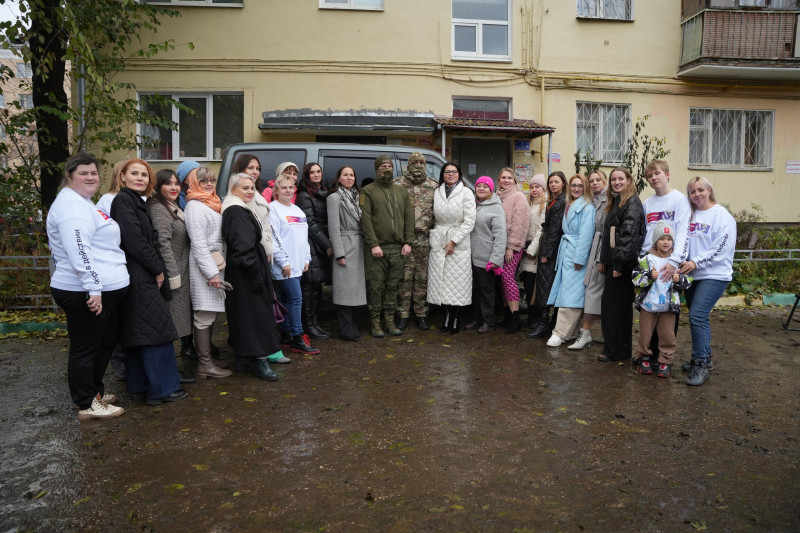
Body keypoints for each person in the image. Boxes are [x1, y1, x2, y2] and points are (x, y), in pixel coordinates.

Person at [47, 153, 130, 420]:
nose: (90, 177)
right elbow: (78, 249)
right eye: (83, 173)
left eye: (94, 173)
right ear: (69, 176)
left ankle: (94, 392)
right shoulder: (71, 207)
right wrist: (93, 288)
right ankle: (86, 404)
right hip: (82, 290)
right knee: (86, 348)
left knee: (103, 343)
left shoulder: (83, 202)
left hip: (102, 288)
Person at [110, 159, 186, 405]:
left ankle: (140, 387)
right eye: (134, 173)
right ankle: (163, 389)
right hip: (139, 273)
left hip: (138, 273)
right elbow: (135, 241)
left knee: (140, 331)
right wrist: (158, 269)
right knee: (156, 332)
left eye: (144, 174)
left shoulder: (135, 201)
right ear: (123, 177)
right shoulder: (124, 201)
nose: (140, 178)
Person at [221, 172, 285, 381]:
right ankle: (259, 360)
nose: (250, 192)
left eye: (252, 188)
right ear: (233, 190)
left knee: (245, 315)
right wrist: (256, 276)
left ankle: (245, 358)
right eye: (245, 188)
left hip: (245, 271)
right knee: (255, 316)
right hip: (246, 274)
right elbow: (243, 249)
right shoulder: (236, 211)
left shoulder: (239, 208)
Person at [678, 176, 737, 386]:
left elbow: (721, 247)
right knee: (700, 317)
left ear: (709, 190)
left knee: (697, 315)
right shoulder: (690, 215)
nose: (697, 195)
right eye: (692, 191)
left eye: (700, 190)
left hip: (714, 274)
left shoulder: (722, 216)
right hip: (692, 275)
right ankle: (705, 355)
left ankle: (700, 364)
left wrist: (696, 261)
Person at [639, 160, 691, 364]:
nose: (654, 178)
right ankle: (648, 354)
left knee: (668, 310)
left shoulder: (679, 200)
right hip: (651, 261)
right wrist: (643, 261)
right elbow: (646, 233)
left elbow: (683, 232)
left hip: (671, 262)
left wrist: (675, 261)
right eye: (650, 176)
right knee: (649, 308)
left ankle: (664, 357)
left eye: (657, 174)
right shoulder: (648, 203)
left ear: (667, 174)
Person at [183, 166, 233, 379]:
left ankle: (208, 359)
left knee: (210, 313)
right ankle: (204, 364)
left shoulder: (211, 202)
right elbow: (198, 244)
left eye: (212, 180)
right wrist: (211, 274)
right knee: (203, 315)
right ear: (195, 183)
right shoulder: (194, 206)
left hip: (215, 264)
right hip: (204, 268)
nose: (209, 184)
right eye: (204, 181)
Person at [148, 169, 196, 383]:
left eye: (176, 183)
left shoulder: (172, 205)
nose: (174, 187)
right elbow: (163, 245)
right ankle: (168, 373)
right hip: (173, 275)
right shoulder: (159, 208)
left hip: (182, 271)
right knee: (171, 325)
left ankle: (171, 370)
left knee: (178, 323)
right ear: (158, 187)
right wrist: (173, 275)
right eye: (168, 183)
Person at [359, 154, 414, 338]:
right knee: (375, 286)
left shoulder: (401, 191)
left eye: (389, 166)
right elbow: (366, 220)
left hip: (398, 248)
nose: (386, 169)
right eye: (383, 166)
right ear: (376, 169)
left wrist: (408, 242)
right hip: (377, 249)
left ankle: (389, 321)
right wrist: (373, 244)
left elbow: (409, 217)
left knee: (393, 285)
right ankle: (375, 323)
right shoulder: (367, 191)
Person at [597, 167, 645, 363]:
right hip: (614, 261)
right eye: (613, 179)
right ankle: (618, 349)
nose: (616, 182)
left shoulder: (632, 202)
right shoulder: (617, 201)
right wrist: (604, 259)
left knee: (615, 309)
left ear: (629, 180)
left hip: (622, 265)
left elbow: (628, 236)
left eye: (620, 179)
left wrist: (618, 265)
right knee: (614, 308)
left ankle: (616, 351)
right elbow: (609, 234)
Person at [269, 171, 320, 355]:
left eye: (291, 187)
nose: (288, 190)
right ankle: (298, 337)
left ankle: (286, 335)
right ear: (276, 190)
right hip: (284, 266)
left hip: (298, 264)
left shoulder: (297, 210)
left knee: (286, 299)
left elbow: (304, 237)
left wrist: (306, 258)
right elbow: (273, 238)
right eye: (284, 187)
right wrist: (284, 261)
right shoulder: (273, 209)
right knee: (296, 299)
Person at [632, 221, 692, 378]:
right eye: (662, 239)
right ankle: (643, 358)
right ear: (655, 241)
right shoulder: (646, 259)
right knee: (645, 334)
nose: (666, 242)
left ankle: (665, 361)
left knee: (667, 335)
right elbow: (635, 279)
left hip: (668, 307)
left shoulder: (677, 261)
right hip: (647, 305)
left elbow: (688, 281)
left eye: (669, 239)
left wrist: (679, 280)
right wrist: (648, 277)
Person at [545, 174, 596, 347]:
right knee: (570, 292)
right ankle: (572, 332)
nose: (576, 188)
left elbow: (586, 235)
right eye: (573, 185)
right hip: (566, 251)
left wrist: (579, 258)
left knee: (570, 295)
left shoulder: (587, 207)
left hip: (576, 254)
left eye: (580, 186)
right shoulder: (570, 204)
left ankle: (559, 333)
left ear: (585, 188)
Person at [427, 162, 476, 334]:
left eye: (454, 172)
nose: (450, 174)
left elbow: (470, 220)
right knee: (442, 281)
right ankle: (447, 315)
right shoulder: (437, 192)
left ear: (459, 174)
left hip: (458, 240)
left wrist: (454, 240)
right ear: (442, 174)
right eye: (447, 172)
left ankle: (456, 317)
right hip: (440, 238)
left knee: (457, 282)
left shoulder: (466, 192)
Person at [395, 152, 438, 331]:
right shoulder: (398, 184)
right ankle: (402, 314)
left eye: (421, 162)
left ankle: (421, 314)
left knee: (422, 277)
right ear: (409, 165)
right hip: (404, 239)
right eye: (415, 162)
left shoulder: (434, 185)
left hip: (425, 239)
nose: (418, 165)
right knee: (404, 278)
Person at [327, 166, 367, 341]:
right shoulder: (334, 198)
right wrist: (339, 253)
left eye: (352, 175)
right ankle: (346, 330)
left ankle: (353, 326)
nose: (349, 178)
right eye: (345, 175)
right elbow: (333, 228)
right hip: (345, 245)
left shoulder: (359, 197)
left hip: (360, 245)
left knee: (356, 290)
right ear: (339, 178)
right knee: (345, 290)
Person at [570, 169, 608, 350]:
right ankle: (606, 332)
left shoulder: (608, 199)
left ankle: (585, 333)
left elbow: (607, 230)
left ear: (605, 181)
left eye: (598, 180)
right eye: (591, 181)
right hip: (595, 248)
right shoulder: (593, 200)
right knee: (599, 292)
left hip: (602, 251)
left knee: (593, 291)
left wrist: (601, 258)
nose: (594, 183)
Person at [295, 162, 333, 340]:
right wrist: (327, 244)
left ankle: (314, 323)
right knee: (309, 288)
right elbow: (310, 224)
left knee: (317, 287)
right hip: (311, 246)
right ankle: (308, 326)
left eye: (318, 171)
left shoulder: (322, 192)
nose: (316, 174)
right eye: (312, 172)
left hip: (320, 245)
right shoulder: (305, 195)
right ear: (307, 175)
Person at [528, 171, 567, 338]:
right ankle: (549, 322)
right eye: (551, 182)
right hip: (550, 247)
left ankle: (544, 323)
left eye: (556, 182)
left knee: (545, 287)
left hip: (551, 250)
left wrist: (546, 253)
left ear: (563, 183)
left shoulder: (560, 202)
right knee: (546, 286)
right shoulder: (554, 200)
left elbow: (554, 230)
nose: (553, 185)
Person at [465, 176, 506, 334]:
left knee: (486, 292)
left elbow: (500, 236)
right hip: (473, 256)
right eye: (479, 186)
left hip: (487, 258)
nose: (481, 189)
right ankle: (477, 319)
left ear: (491, 190)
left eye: (485, 186)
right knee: (475, 290)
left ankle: (488, 322)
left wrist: (495, 259)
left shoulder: (496, 208)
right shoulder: (474, 204)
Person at [495, 167, 530, 334]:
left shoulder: (519, 197)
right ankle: (508, 315)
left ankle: (515, 318)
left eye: (509, 178)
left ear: (514, 180)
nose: (506, 180)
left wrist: (511, 247)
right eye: (503, 177)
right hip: (498, 246)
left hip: (512, 247)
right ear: (499, 180)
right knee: (501, 280)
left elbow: (520, 224)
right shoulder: (497, 196)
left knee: (508, 278)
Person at [518, 173, 547, 325]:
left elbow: (541, 229)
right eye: (532, 187)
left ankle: (536, 318)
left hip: (534, 251)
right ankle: (531, 317)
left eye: (537, 187)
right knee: (528, 285)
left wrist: (532, 250)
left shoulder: (545, 204)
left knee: (534, 286)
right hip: (526, 249)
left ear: (543, 188)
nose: (534, 190)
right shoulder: (529, 203)